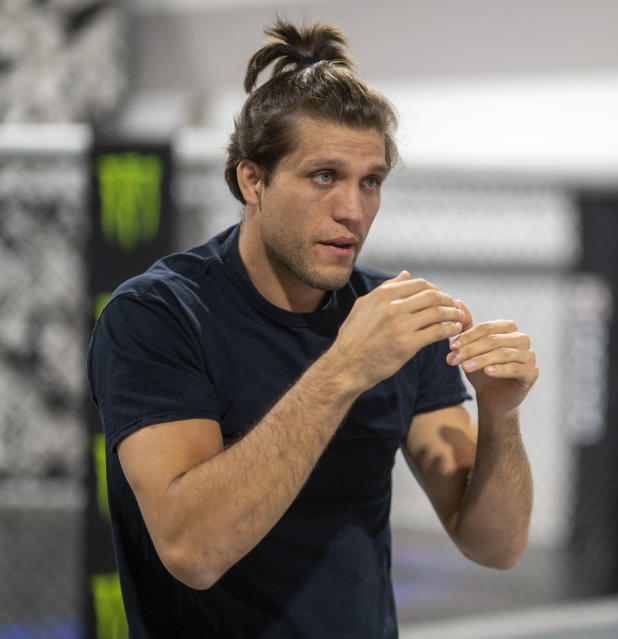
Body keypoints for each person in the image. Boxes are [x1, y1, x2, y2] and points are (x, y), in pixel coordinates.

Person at [86, 19, 536, 638]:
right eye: (324, 176)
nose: (352, 211)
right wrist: (345, 368)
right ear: (253, 180)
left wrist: (502, 414)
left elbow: (495, 545)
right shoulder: (158, 316)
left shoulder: (392, 316)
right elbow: (193, 552)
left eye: (369, 182)